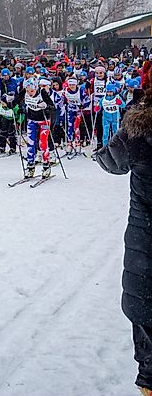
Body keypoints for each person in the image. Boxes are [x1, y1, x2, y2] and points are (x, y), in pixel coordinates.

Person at [95, 89, 152, 395]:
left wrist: (132, 117)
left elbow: (109, 161)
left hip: (147, 240)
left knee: (147, 321)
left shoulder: (139, 130)